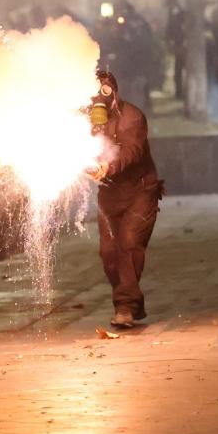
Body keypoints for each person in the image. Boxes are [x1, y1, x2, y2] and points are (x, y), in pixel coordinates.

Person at [87, 70, 163, 328]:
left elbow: (133, 152)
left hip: (140, 191)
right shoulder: (85, 119)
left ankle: (125, 306)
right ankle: (130, 300)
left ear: (114, 92)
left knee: (128, 244)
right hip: (109, 194)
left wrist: (108, 167)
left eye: (104, 90)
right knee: (108, 253)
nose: (99, 97)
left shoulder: (132, 117)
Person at [164, 0, 186, 98]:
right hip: (178, 45)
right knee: (178, 70)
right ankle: (179, 92)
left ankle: (182, 91)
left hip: (183, 45)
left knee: (182, 69)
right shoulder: (171, 15)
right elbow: (169, 31)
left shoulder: (181, 14)